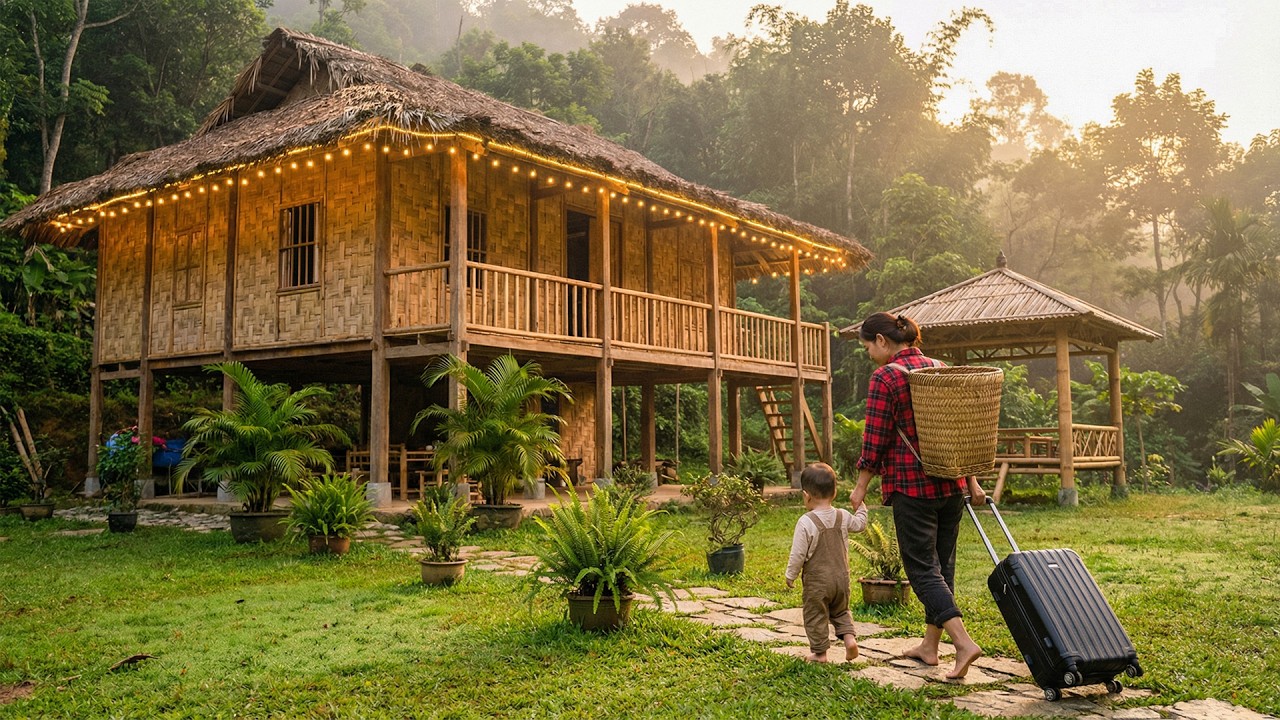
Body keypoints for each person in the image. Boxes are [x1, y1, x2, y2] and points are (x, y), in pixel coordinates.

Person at [848, 311, 988, 680]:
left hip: (913, 487)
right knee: (943, 566)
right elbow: (960, 432)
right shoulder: (940, 367)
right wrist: (971, 482)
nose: (868, 353)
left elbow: (875, 438)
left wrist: (861, 485)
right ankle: (930, 647)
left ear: (881, 340)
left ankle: (962, 643)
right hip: (952, 485)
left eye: (866, 346)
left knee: (923, 569)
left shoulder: (886, 377)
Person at [785, 462, 869, 663]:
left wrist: (791, 575)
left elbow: (798, 554)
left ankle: (820, 653)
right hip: (841, 578)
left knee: (815, 615)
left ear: (806, 495)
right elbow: (860, 524)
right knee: (841, 611)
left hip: (818, 582)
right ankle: (850, 641)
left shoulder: (806, 522)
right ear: (835, 492)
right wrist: (862, 508)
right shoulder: (843, 515)